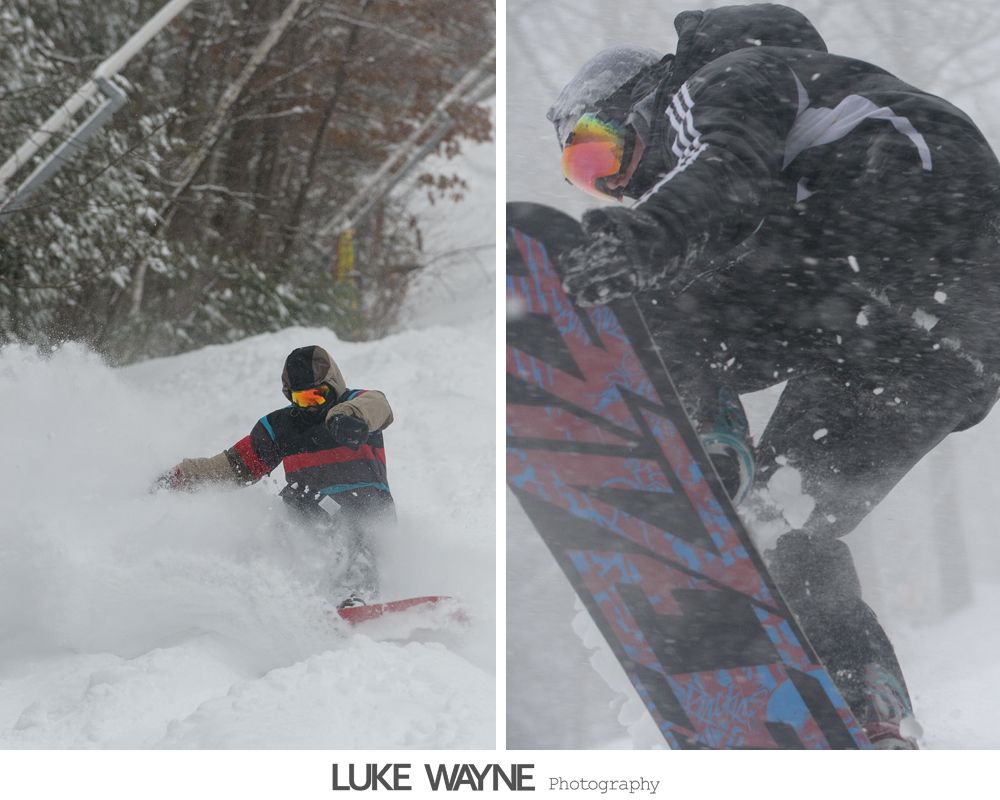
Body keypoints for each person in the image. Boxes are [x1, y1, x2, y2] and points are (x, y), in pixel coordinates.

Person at [547, 2, 1000, 748]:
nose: (614, 184)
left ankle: (709, 447)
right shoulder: (794, 100)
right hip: (944, 342)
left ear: (646, 99)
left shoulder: (725, 75)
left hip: (876, 253)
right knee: (784, 532)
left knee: (652, 288)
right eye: (585, 177)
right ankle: (873, 720)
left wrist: (644, 236)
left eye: (602, 153)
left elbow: (726, 173)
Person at [156, 344, 395, 607]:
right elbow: (231, 468)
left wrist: (346, 416)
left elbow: (379, 405)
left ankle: (358, 595)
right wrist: (180, 477)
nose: (311, 407)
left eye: (317, 396)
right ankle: (270, 590)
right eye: (303, 399)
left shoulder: (357, 405)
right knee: (281, 509)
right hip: (315, 511)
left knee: (357, 526)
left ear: (333, 385)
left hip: (366, 509)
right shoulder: (281, 429)